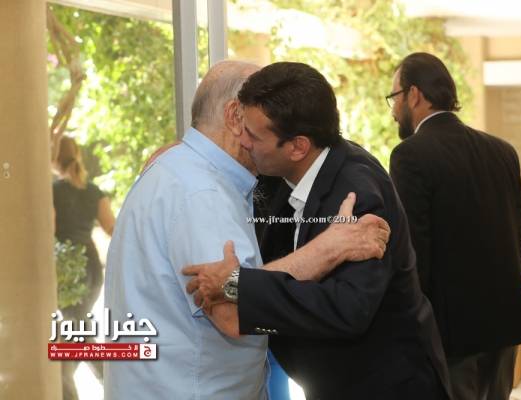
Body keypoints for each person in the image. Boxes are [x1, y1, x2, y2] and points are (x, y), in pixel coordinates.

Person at [104, 60, 390, 400]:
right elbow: (231, 312)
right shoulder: (202, 193)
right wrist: (329, 247)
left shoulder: (185, 169)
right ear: (235, 116)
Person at [184, 61, 452, 400]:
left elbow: (348, 307)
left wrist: (237, 284)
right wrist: (186, 153)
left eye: (254, 135)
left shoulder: (357, 194)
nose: (243, 141)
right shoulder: (288, 168)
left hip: (387, 387)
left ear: (297, 146)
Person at [387, 52, 521, 400]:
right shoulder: (502, 150)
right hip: (505, 318)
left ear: (414, 95)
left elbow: (414, 253)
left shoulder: (410, 155)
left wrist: (411, 328)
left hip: (451, 329)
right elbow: (518, 240)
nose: (393, 109)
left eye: (394, 97)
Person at [53, 136, 115, 399]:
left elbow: (49, 229)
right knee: (76, 331)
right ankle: (69, 388)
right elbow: (113, 228)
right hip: (91, 269)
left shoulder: (53, 190)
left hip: (69, 270)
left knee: (77, 331)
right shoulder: (93, 191)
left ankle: (115, 387)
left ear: (54, 158)